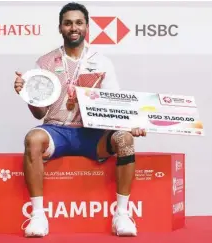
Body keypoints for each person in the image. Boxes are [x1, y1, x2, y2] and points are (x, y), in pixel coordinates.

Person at [14, 2, 146, 238]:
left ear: (86, 27)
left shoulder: (102, 62)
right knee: (33, 138)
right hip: (57, 131)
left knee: (125, 139)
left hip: (92, 134)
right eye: (68, 23)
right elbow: (39, 114)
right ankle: (37, 216)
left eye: (78, 22)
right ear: (60, 28)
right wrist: (27, 94)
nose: (73, 27)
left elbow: (113, 103)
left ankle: (122, 215)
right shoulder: (45, 63)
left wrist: (129, 125)